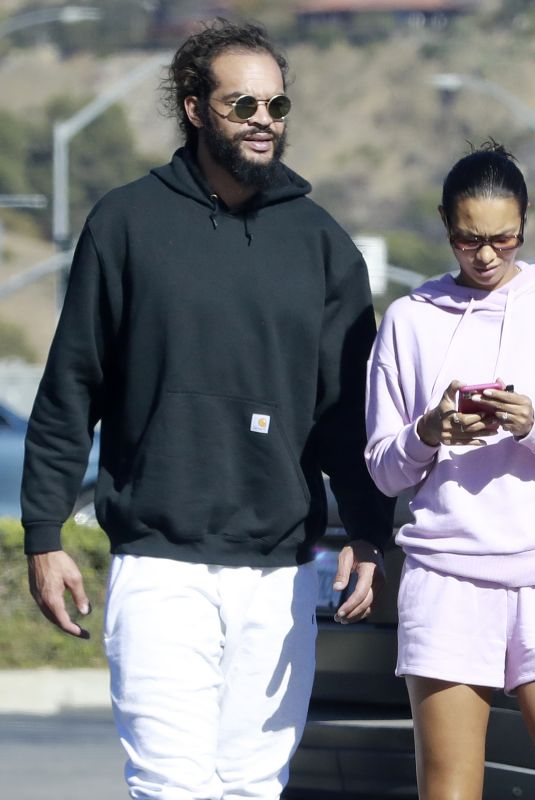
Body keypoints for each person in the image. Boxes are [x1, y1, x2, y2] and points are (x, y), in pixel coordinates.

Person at [21, 19, 393, 800]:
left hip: (279, 572)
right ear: (195, 109)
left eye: (276, 104)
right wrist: (45, 533)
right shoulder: (125, 223)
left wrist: (364, 530)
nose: (264, 119)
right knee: (171, 783)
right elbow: (71, 385)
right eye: (242, 104)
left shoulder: (323, 247)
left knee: (255, 785)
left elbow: (344, 416)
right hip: (159, 561)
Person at [365, 140, 535, 800]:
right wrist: (427, 432)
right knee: (448, 789)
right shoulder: (409, 320)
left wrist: (528, 423)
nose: (486, 255)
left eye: (503, 238)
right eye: (468, 240)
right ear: (444, 223)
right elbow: (383, 471)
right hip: (445, 575)